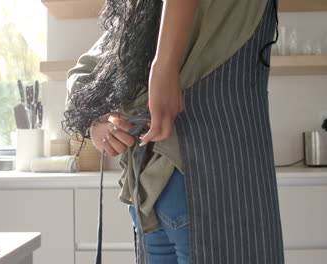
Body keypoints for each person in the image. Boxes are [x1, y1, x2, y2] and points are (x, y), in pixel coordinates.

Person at [63, 0, 285, 263]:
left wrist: (97, 125)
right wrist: (163, 67)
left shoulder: (140, 9)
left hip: (149, 189)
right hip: (214, 183)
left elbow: (83, 76)